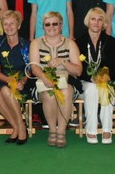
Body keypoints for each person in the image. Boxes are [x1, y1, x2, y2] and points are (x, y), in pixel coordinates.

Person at [29, 11, 82, 148]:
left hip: (68, 81)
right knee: (49, 94)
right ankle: (52, 130)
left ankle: (61, 131)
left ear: (61, 25)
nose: (51, 27)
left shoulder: (70, 43)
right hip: (42, 81)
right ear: (43, 26)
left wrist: (63, 61)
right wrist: (44, 78)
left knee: (66, 91)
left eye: (55, 24)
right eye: (47, 24)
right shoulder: (36, 43)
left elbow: (78, 71)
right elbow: (34, 67)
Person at [75, 8, 115, 144]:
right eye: (93, 19)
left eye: (100, 19)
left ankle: (107, 130)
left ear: (104, 23)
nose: (96, 22)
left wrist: (106, 76)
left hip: (105, 80)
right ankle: (91, 130)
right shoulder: (78, 41)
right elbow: (77, 67)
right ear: (87, 21)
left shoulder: (111, 41)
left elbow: (113, 66)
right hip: (85, 81)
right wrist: (91, 78)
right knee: (92, 89)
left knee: (108, 89)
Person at [0, 10, 32, 145]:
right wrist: (10, 80)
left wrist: (22, 81)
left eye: (12, 24)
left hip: (23, 83)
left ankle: (20, 127)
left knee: (5, 91)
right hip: (4, 80)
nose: (8, 27)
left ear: (18, 25)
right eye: (5, 24)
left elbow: (30, 70)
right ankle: (18, 126)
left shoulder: (26, 44)